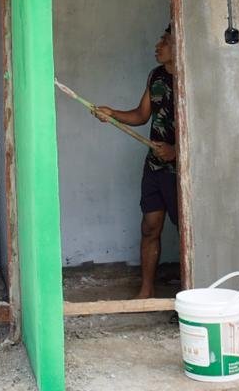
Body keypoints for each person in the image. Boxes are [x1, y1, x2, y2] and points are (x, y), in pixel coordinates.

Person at [93, 24, 179, 299]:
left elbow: (205, 126)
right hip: (154, 166)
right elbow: (142, 115)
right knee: (150, 227)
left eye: (164, 41)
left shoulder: (191, 78)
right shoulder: (156, 76)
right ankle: (146, 291)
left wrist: (177, 151)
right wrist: (112, 114)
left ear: (179, 45)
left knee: (187, 231)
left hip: (181, 170)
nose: (158, 45)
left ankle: (192, 294)